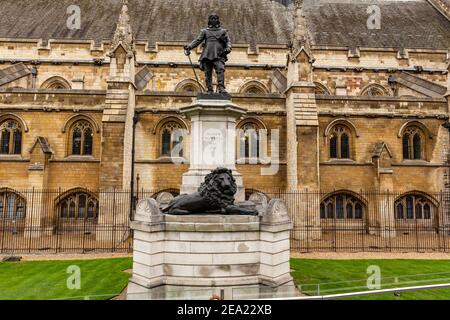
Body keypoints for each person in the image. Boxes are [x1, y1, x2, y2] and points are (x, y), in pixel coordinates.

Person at [184, 14, 232, 94]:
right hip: (207, 53)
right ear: (209, 21)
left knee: (220, 70)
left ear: (218, 20)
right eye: (212, 19)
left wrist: (228, 48)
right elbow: (198, 40)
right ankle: (209, 89)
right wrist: (189, 46)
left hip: (219, 53)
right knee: (208, 72)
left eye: (215, 19)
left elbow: (228, 41)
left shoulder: (223, 31)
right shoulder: (205, 31)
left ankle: (221, 88)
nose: (213, 20)